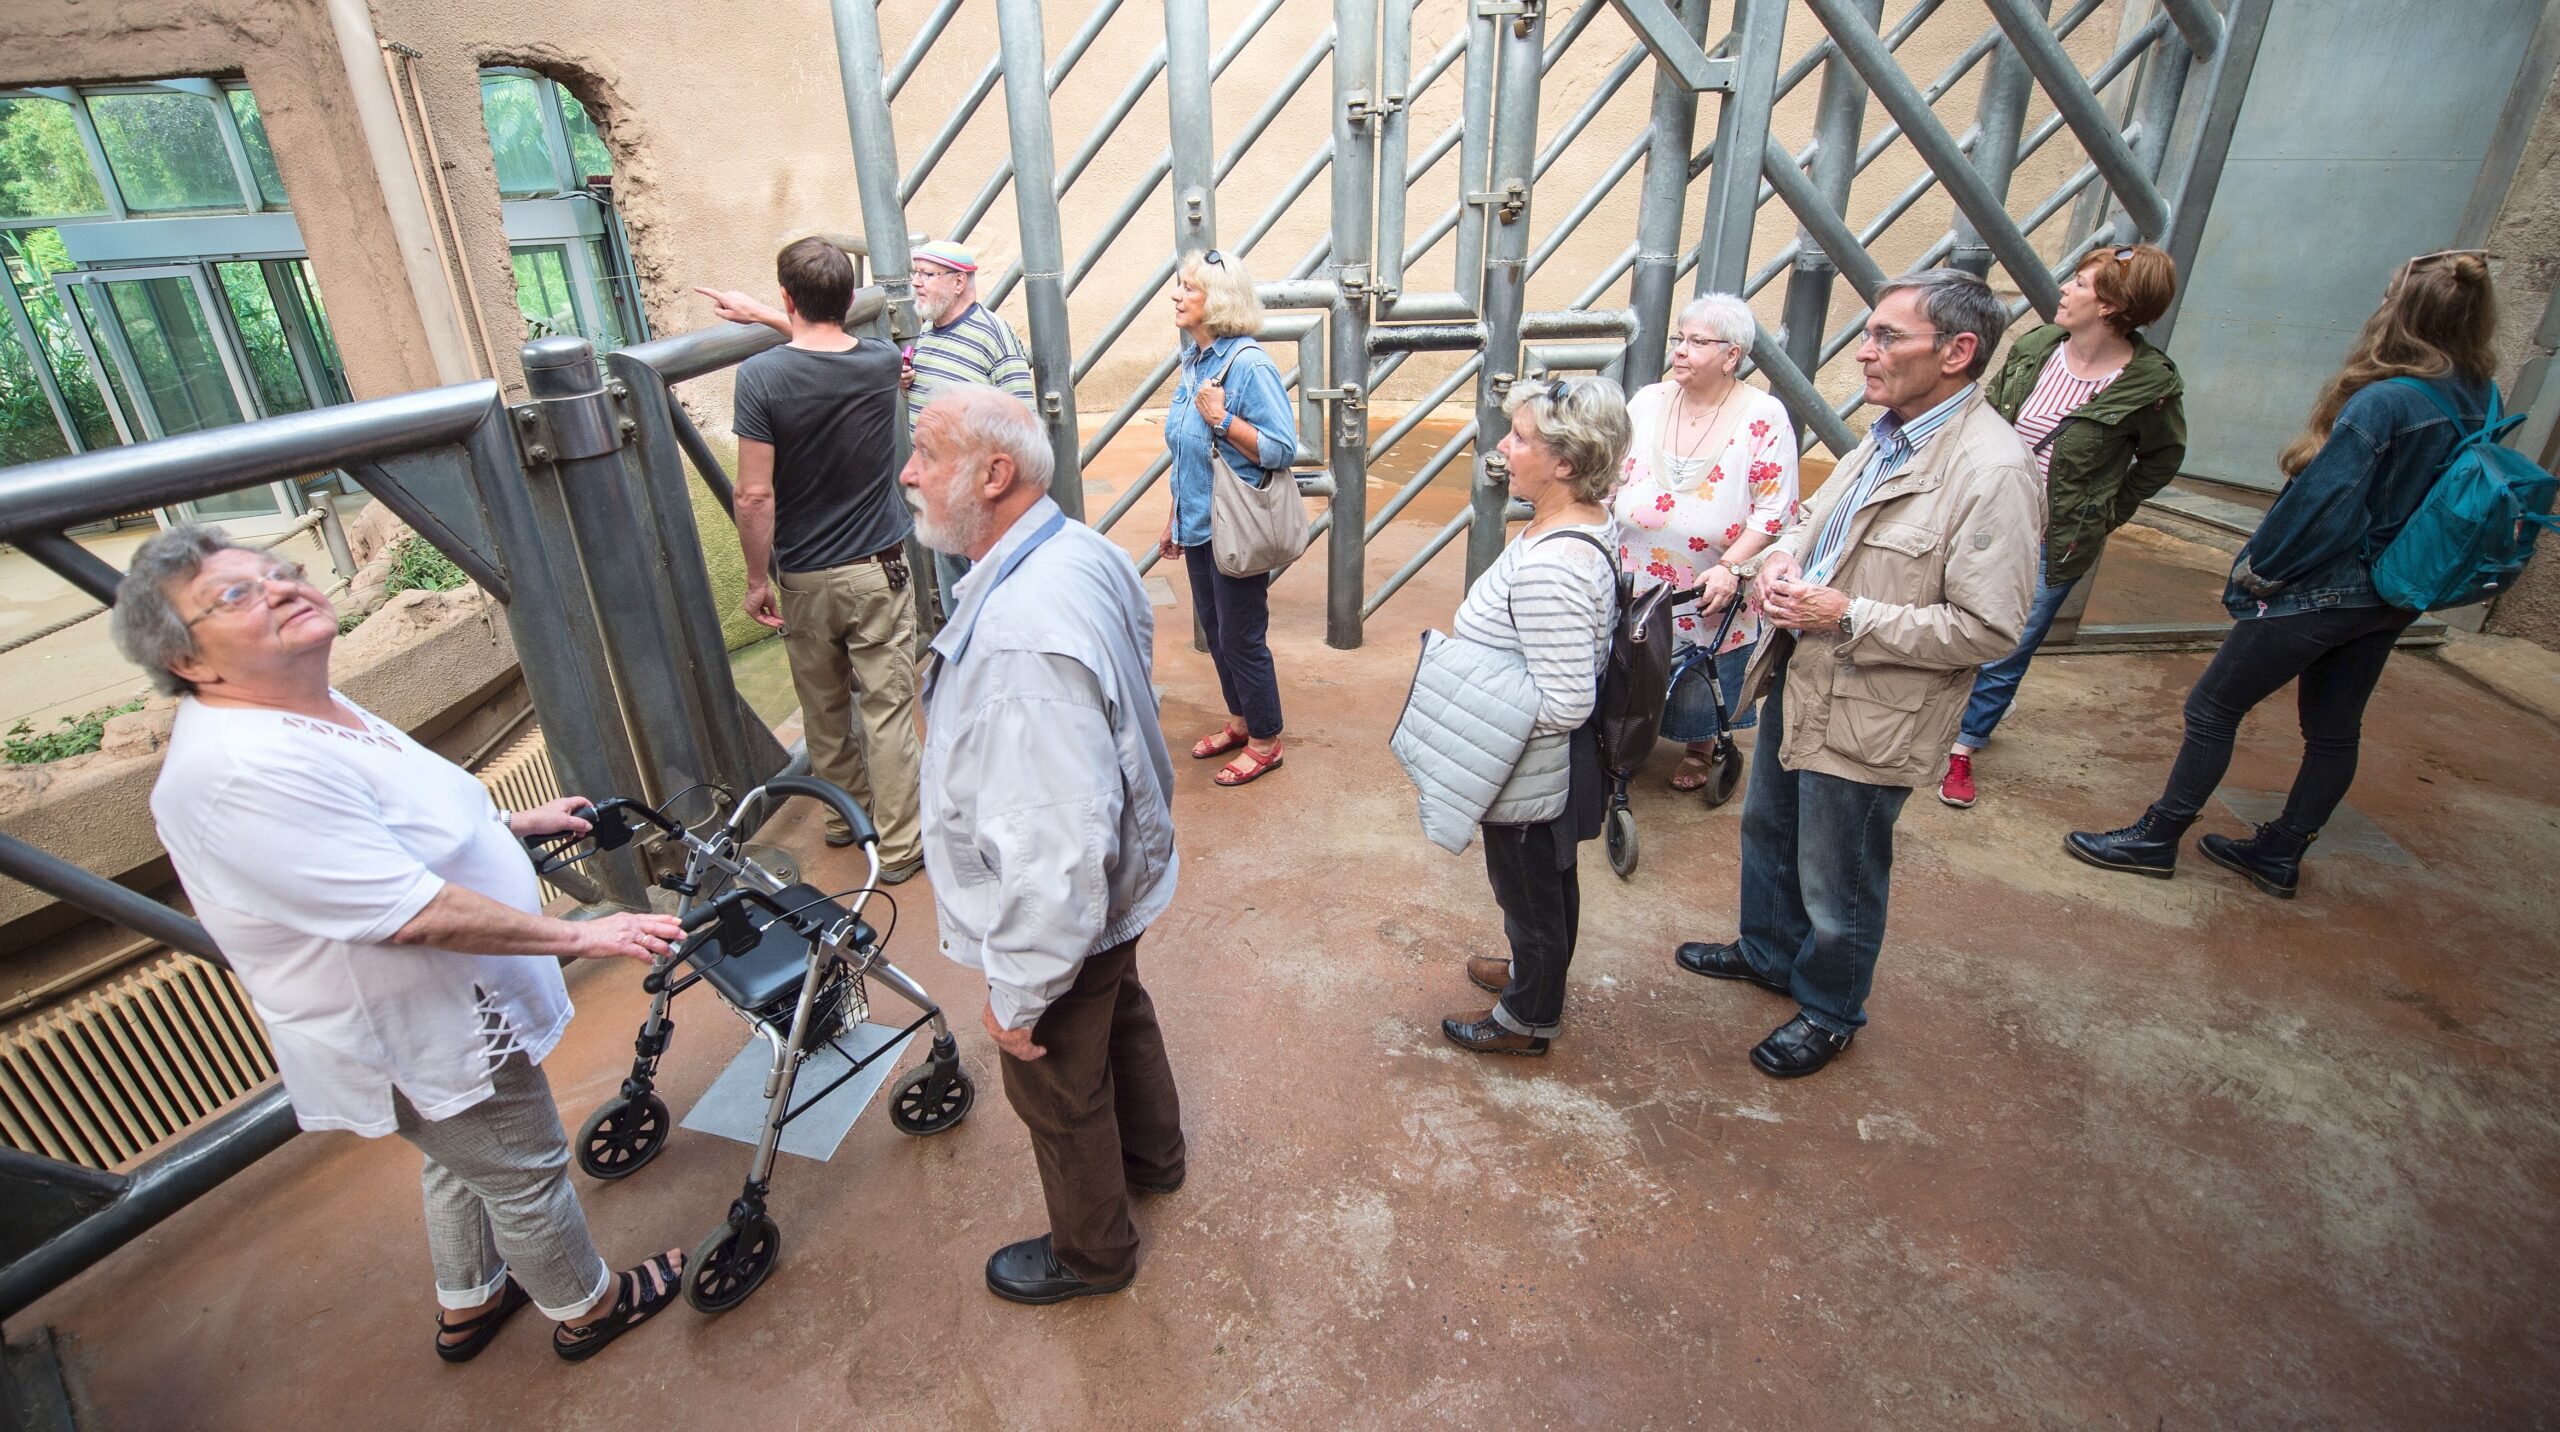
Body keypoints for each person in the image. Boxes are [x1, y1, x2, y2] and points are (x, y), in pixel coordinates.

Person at [116, 527, 690, 1364]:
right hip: (421, 1021)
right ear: (189, 663)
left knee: (465, 1160)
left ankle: (472, 1302)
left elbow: (390, 828)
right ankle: (590, 1306)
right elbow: (408, 910)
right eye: (235, 595)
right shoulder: (239, 770)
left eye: (280, 571)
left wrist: (504, 825)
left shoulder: (302, 701)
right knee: (523, 1171)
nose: (281, 588)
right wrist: (584, 931)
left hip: (448, 1005)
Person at [1673, 269, 2040, 1079]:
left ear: (1959, 351)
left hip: (1877, 709)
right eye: (1868, 333)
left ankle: (1831, 1009)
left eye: (1885, 337)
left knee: (1839, 876)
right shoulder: (1886, 434)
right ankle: (1769, 953)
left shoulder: (1991, 472)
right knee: (1770, 831)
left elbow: (1990, 626)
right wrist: (1779, 561)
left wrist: (1847, 617)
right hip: (1805, 680)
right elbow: (1813, 522)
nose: (1864, 351)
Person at [2067, 250, 2499, 898]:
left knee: (2213, 705)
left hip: (2325, 589)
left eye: (2388, 294)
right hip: (2394, 591)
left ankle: (2158, 838)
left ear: (2404, 314)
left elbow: (2321, 504)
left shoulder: (2385, 401)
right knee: (2333, 728)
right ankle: (2282, 850)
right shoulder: (2479, 394)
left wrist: (2258, 574)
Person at [902, 385, 1186, 1304]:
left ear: (994, 474)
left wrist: (1019, 993)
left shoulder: (1021, 639)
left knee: (1055, 1079)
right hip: (1122, 881)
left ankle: (1093, 1253)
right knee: (1119, 1004)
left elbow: (1056, 849)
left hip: (1074, 897)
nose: (908, 474)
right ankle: (1156, 1159)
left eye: (927, 455)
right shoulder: (1083, 550)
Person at [1942, 243, 2186, 808]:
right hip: (1984, 513)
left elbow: (2160, 461)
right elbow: (1983, 416)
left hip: (2058, 537)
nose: (2065, 290)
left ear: (2112, 306)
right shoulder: (2035, 348)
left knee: (2010, 643)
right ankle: (1936, 717)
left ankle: (1963, 746)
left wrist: (2103, 512)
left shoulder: (2150, 385)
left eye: (2081, 284)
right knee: (1952, 615)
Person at [1440, 375, 1632, 1057]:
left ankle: (1526, 1018)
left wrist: (1474, 701)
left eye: (1520, 437)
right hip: (1535, 761)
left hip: (1531, 765)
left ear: (1566, 463)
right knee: (1543, 883)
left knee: (1530, 892)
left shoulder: (1554, 567)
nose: (1503, 445)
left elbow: (1565, 701)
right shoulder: (1570, 522)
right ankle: (1533, 973)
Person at [722, 237, 925, 878]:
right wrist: (769, 315)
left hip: (805, 574)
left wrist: (758, 577)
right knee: (887, 708)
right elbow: (826, 341)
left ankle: (844, 818)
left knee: (824, 709)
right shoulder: (879, 362)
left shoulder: (760, 378)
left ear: (788, 297)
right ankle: (897, 849)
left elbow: (755, 494)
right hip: (880, 567)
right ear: (847, 300)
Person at [700, 239, 1034, 612]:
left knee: (996, 604)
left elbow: (1023, 426)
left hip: (980, 497)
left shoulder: (994, 335)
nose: (917, 283)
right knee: (962, 605)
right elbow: (841, 351)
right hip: (944, 495)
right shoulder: (929, 333)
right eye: (915, 274)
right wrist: (910, 384)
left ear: (959, 282)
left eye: (928, 274)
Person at [1611, 293, 1799, 788]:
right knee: (1629, 658)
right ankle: (1624, 739)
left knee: (1703, 657)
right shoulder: (1648, 401)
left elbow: (1775, 510)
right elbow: (1612, 472)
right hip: (1637, 565)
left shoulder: (1764, 415)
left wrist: (1733, 566)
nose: (1680, 350)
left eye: (1697, 342)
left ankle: (1702, 743)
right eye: (1679, 338)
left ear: (1731, 355)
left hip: (1712, 575)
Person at [1156, 248, 1300, 788]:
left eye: (1189, 288)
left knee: (1241, 636)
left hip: (1234, 526)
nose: (1176, 295)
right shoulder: (1195, 361)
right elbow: (1185, 448)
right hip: (1197, 521)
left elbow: (1283, 448)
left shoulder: (1250, 365)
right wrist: (1174, 512)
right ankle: (1241, 720)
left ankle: (1266, 740)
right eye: (1180, 285)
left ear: (1217, 301)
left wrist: (1223, 419)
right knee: (1216, 633)